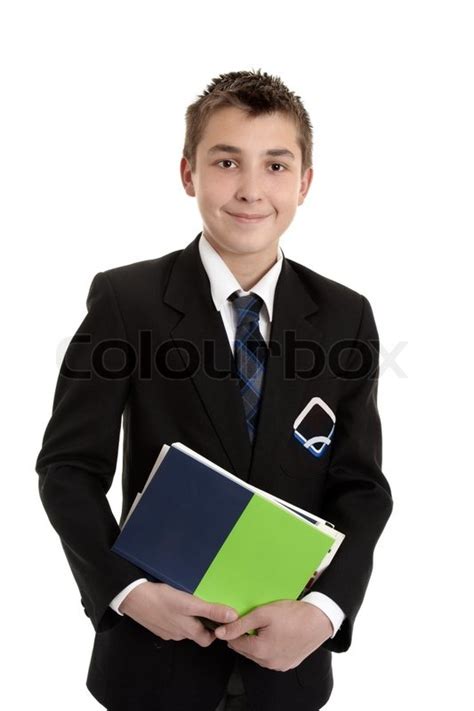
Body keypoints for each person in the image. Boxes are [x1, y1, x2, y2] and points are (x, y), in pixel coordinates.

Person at [36, 69, 393, 711]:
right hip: (151, 662)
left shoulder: (346, 316)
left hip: (288, 672)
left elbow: (361, 487)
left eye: (276, 165)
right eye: (227, 161)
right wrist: (126, 593)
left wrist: (325, 611)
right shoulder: (127, 301)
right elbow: (68, 469)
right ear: (188, 174)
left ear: (306, 182)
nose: (252, 189)